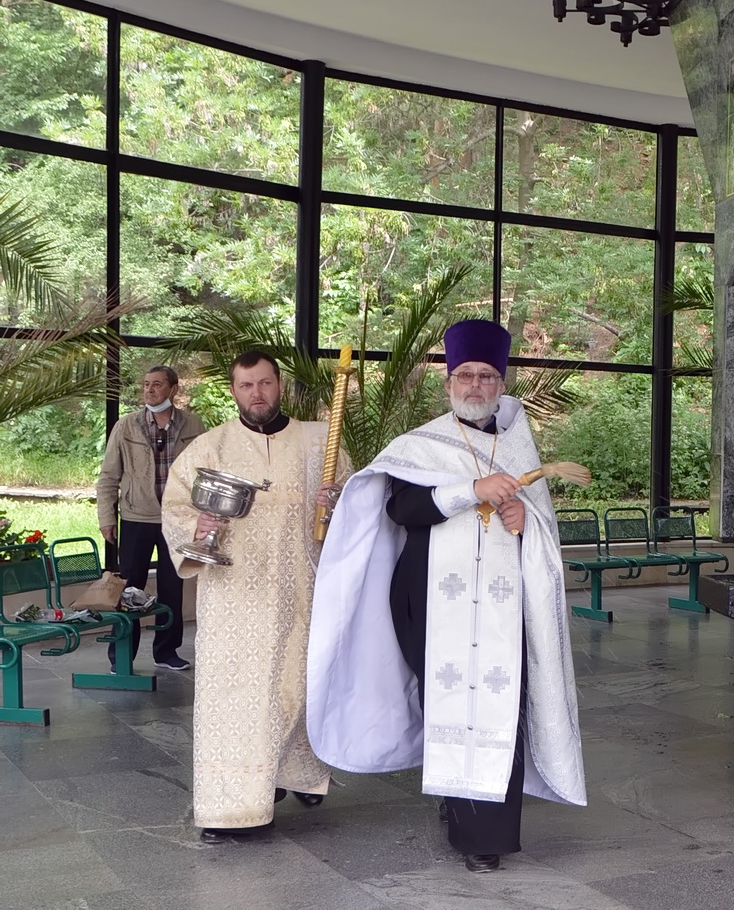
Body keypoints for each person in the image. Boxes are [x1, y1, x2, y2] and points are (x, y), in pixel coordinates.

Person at [308, 319, 586, 874]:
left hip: (505, 607)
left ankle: (485, 836)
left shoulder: (518, 444)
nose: (475, 385)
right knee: (450, 703)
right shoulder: (420, 445)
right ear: (448, 383)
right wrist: (472, 490)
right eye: (465, 375)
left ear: (502, 384)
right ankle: (458, 802)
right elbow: (401, 509)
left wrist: (522, 519)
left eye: (486, 376)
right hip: (430, 604)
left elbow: (541, 530)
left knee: (501, 704)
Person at [161, 351, 348, 844]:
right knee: (234, 701)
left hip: (303, 592)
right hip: (234, 598)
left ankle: (295, 774)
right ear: (233, 391)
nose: (257, 394)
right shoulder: (210, 447)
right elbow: (175, 507)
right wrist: (197, 525)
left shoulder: (320, 442)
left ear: (279, 385)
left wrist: (338, 504)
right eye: (246, 386)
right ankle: (232, 808)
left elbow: (356, 507)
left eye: (265, 383)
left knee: (297, 691)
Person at [96, 365, 206, 670]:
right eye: (146, 384)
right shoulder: (126, 426)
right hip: (136, 517)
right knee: (128, 588)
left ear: (173, 389)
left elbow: (205, 471)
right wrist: (107, 518)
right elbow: (108, 477)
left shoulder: (193, 424)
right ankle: (121, 655)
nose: (149, 390)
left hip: (176, 519)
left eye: (157, 384)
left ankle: (166, 652)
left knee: (172, 588)